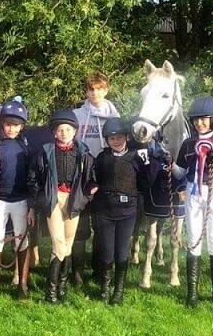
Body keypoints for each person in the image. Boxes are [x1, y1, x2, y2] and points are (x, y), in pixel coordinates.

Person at [27, 110, 98, 304]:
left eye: (68, 129)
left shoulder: (83, 152)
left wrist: (88, 194)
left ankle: (62, 290)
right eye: (60, 130)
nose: (64, 133)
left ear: (75, 131)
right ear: (54, 132)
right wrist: (40, 200)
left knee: (67, 245)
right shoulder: (45, 151)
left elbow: (90, 178)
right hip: (54, 200)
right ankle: (50, 294)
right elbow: (33, 178)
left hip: (73, 200)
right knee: (58, 244)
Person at [174, 96, 213, 307]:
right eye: (196, 120)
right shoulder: (188, 143)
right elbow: (180, 172)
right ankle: (192, 293)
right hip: (193, 192)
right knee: (193, 240)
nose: (199, 123)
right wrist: (167, 161)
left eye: (203, 119)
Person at [93, 117, 150, 305]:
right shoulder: (102, 158)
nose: (115, 141)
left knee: (122, 252)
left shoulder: (136, 157)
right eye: (111, 138)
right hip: (105, 211)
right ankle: (105, 288)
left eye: (118, 137)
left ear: (126, 137)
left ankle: (119, 291)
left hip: (127, 211)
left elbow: (146, 181)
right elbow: (96, 178)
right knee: (107, 251)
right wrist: (92, 187)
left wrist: (156, 161)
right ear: (107, 141)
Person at [72, 71, 120, 287]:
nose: (95, 93)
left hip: (105, 175)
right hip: (81, 176)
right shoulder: (77, 115)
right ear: (86, 91)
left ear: (106, 90)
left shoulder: (115, 116)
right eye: (91, 89)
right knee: (80, 227)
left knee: (102, 226)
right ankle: (77, 272)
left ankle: (100, 269)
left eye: (99, 89)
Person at [0, 99, 32, 299]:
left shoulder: (26, 148)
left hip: (20, 201)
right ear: (2, 124)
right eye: (8, 124)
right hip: (0, 201)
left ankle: (22, 284)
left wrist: (31, 205)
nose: (12, 128)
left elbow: (31, 177)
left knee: (22, 240)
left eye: (16, 125)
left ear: (22, 126)